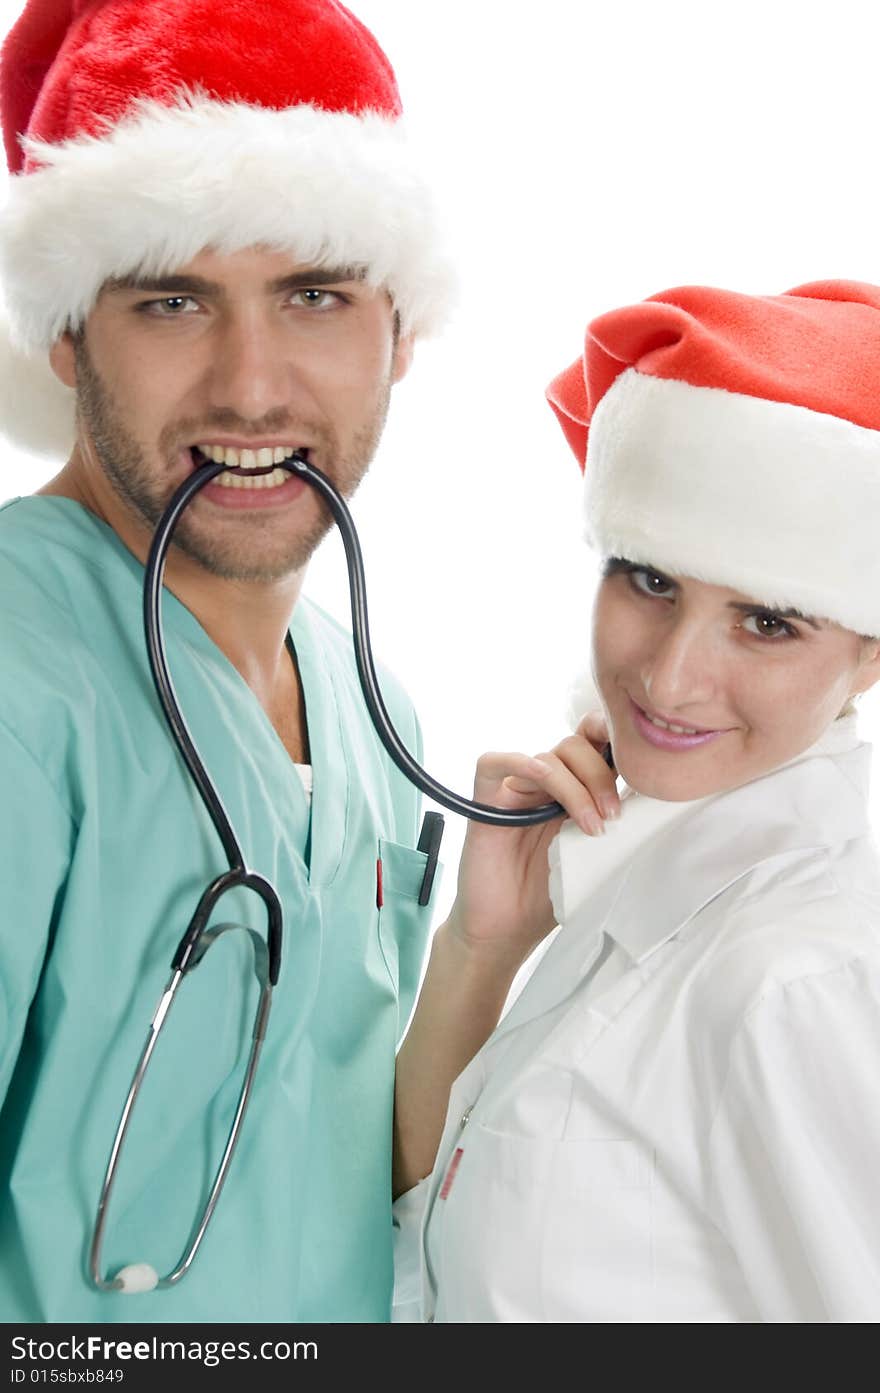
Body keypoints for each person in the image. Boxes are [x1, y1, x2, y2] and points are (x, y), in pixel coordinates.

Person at [0, 0, 456, 1323]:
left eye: (313, 295)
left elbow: (338, 1167)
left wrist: (484, 943)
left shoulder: (375, 708)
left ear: (399, 335)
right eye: (173, 300)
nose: (251, 386)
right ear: (68, 335)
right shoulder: (23, 680)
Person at [392, 280, 880, 1323]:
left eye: (767, 623)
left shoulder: (796, 978)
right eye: (648, 579)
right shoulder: (651, 890)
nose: (667, 678)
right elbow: (432, 1238)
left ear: (869, 656)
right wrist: (482, 948)